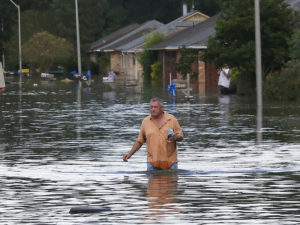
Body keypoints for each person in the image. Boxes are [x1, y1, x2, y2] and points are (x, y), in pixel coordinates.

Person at [123, 97, 183, 171]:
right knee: (153, 182)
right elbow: (139, 141)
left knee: (171, 181)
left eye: (155, 107)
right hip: (152, 164)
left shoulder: (171, 119)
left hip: (170, 163)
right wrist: (130, 154)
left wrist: (175, 137)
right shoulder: (146, 122)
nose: (153, 109)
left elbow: (181, 136)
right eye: (151, 107)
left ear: (161, 108)